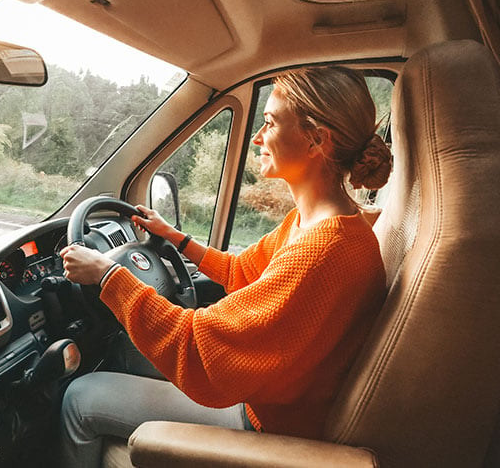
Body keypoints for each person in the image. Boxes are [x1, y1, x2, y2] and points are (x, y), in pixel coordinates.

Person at [58, 65, 392, 467]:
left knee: (80, 398)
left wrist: (109, 275)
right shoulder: (323, 222)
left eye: (268, 123)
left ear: (316, 140)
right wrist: (177, 238)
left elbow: (200, 351)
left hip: (265, 420)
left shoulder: (323, 251)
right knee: (125, 351)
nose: (256, 137)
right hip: (272, 392)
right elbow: (242, 272)